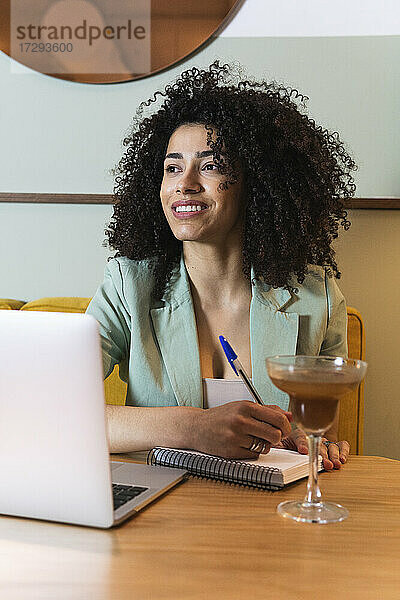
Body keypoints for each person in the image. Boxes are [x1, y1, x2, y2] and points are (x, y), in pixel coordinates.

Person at [87, 61, 357, 469]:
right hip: (160, 509)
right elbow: (56, 410)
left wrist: (319, 444)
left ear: (260, 183)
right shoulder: (128, 284)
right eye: (173, 167)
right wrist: (193, 428)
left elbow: (317, 431)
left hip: (272, 511)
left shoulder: (316, 297)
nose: (185, 183)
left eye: (210, 166)